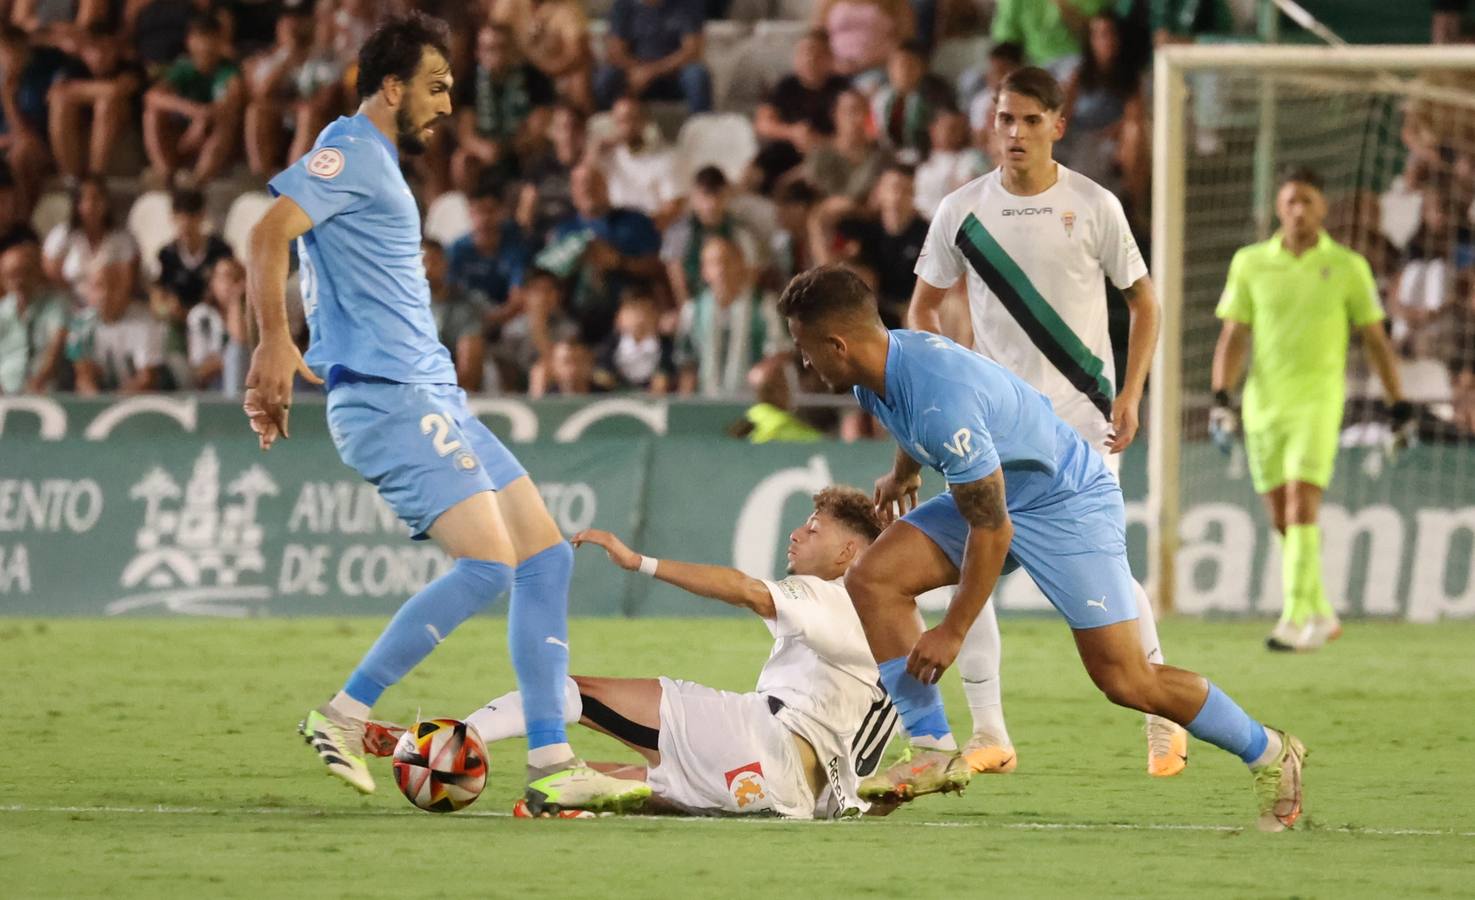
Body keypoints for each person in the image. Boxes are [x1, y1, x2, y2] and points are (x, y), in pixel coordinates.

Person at [241, 12, 649, 815]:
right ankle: (342, 714)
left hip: (432, 395)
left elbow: (335, 276)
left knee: (545, 558)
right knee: (489, 565)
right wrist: (269, 343)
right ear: (390, 88)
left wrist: (292, 353)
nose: (448, 104)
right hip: (391, 400)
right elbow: (265, 234)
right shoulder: (351, 150)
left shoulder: (375, 162)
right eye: (435, 87)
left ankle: (554, 760)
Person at [779, 264, 1311, 833]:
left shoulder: (941, 401)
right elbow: (918, 429)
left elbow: (993, 530)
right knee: (873, 577)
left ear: (837, 343)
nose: (805, 363)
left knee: (1126, 680)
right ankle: (932, 748)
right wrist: (902, 471)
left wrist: (952, 631)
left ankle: (1271, 751)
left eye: (806, 349)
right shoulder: (878, 368)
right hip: (1004, 489)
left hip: (1065, 502)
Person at [905, 65, 1184, 778]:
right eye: (1005, 119)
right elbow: (921, 312)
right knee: (969, 565)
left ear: (1058, 125)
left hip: (1082, 423)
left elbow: (1144, 303)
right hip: (994, 426)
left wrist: (1131, 393)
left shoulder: (1094, 206)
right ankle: (990, 732)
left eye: (1030, 120)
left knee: (1106, 566)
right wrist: (952, 374)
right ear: (989, 124)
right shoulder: (960, 210)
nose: (1015, 133)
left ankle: (1159, 714)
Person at [364, 487, 899, 820]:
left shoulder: (833, 596)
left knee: (572, 693)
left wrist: (638, 560)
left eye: (813, 528)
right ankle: (447, 754)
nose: (796, 534)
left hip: (756, 738)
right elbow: (861, 766)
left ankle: (450, 738)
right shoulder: (885, 647)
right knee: (577, 779)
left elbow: (744, 588)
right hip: (781, 798)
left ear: (849, 554)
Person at [1209, 168, 1409, 652]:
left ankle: (1294, 620)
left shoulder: (1347, 266)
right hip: (1263, 406)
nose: (1298, 210)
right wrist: (1221, 399)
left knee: (1302, 503)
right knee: (1281, 516)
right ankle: (1322, 611)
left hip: (1318, 403)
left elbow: (1376, 340)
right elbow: (1234, 335)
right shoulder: (1251, 263)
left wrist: (1398, 404)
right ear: (1279, 208)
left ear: (1323, 209)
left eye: (1308, 201)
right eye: (1291, 201)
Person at [141, 15, 244, 188]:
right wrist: (194, 111)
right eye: (200, 38)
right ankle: (165, 174)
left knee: (227, 120)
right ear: (189, 42)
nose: (205, 46)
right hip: (184, 131)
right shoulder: (183, 67)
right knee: (151, 115)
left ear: (220, 41)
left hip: (214, 136)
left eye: (210, 38)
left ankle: (198, 181)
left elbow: (233, 100)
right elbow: (152, 96)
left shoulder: (229, 70)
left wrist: (203, 119)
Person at [451, 23, 555, 193]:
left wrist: (514, 145)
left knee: (538, 151)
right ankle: (475, 209)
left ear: (512, 50)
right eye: (489, 49)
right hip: (487, 148)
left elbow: (539, 124)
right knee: (461, 160)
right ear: (478, 53)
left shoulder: (533, 77)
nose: (496, 55)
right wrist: (484, 149)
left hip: (521, 144)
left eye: (501, 48)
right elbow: (466, 132)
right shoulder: (470, 81)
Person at [594, 0, 711, 114]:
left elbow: (691, 51)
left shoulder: (687, 4)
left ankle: (701, 126)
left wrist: (650, 72)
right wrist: (637, 71)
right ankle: (603, 124)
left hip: (674, 75)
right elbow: (616, 51)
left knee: (696, 75)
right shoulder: (623, 5)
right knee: (606, 77)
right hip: (634, 76)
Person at [753, 29, 850, 156]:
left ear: (829, 58)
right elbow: (763, 124)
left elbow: (854, 134)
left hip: (828, 154)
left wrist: (819, 141)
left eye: (816, 54)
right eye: (804, 53)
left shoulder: (843, 89)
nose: (809, 59)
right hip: (785, 149)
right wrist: (792, 132)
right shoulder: (785, 86)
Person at [0, 230, 70, 392]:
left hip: (44, 391)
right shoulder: (1, 311)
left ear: (36, 273)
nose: (18, 281)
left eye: (24, 273)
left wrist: (38, 382)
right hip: (5, 392)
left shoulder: (56, 305)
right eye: (11, 275)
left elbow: (56, 348)